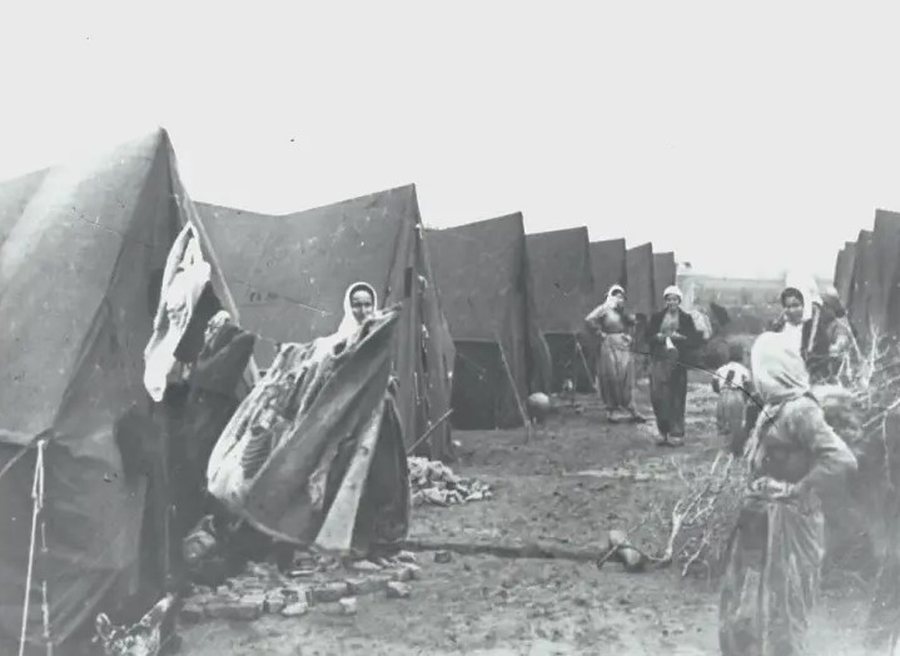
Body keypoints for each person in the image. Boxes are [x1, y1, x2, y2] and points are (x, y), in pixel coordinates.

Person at [719, 331, 857, 656]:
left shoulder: (800, 411)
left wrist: (799, 488)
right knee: (751, 600)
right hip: (762, 518)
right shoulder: (774, 406)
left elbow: (841, 459)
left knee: (784, 604)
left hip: (790, 522)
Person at [646, 285, 703, 446]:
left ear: (679, 301)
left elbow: (694, 339)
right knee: (659, 396)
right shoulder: (657, 317)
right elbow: (647, 336)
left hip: (678, 362)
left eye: (675, 299)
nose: (672, 302)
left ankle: (676, 432)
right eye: (669, 299)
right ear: (665, 301)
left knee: (676, 396)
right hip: (659, 360)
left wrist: (682, 338)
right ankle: (662, 432)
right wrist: (657, 337)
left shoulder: (686, 318)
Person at [585, 284, 645, 423]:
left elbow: (631, 324)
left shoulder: (623, 312)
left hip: (623, 344)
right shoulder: (604, 309)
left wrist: (629, 335)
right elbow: (589, 319)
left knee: (626, 376)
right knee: (611, 376)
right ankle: (611, 410)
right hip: (609, 344)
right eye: (616, 296)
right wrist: (600, 333)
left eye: (621, 297)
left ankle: (631, 409)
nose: (619, 299)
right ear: (610, 297)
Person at [770, 287, 834, 383]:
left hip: (809, 380)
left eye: (796, 305)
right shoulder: (778, 330)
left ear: (803, 306)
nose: (792, 310)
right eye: (788, 307)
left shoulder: (814, 330)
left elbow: (822, 358)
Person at [712, 342, 752, 453]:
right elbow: (748, 386)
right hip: (736, 394)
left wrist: (721, 392)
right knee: (736, 423)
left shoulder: (721, 369)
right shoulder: (744, 370)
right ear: (741, 357)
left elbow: (715, 385)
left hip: (723, 395)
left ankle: (723, 448)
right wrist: (745, 398)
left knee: (722, 422)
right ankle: (735, 450)